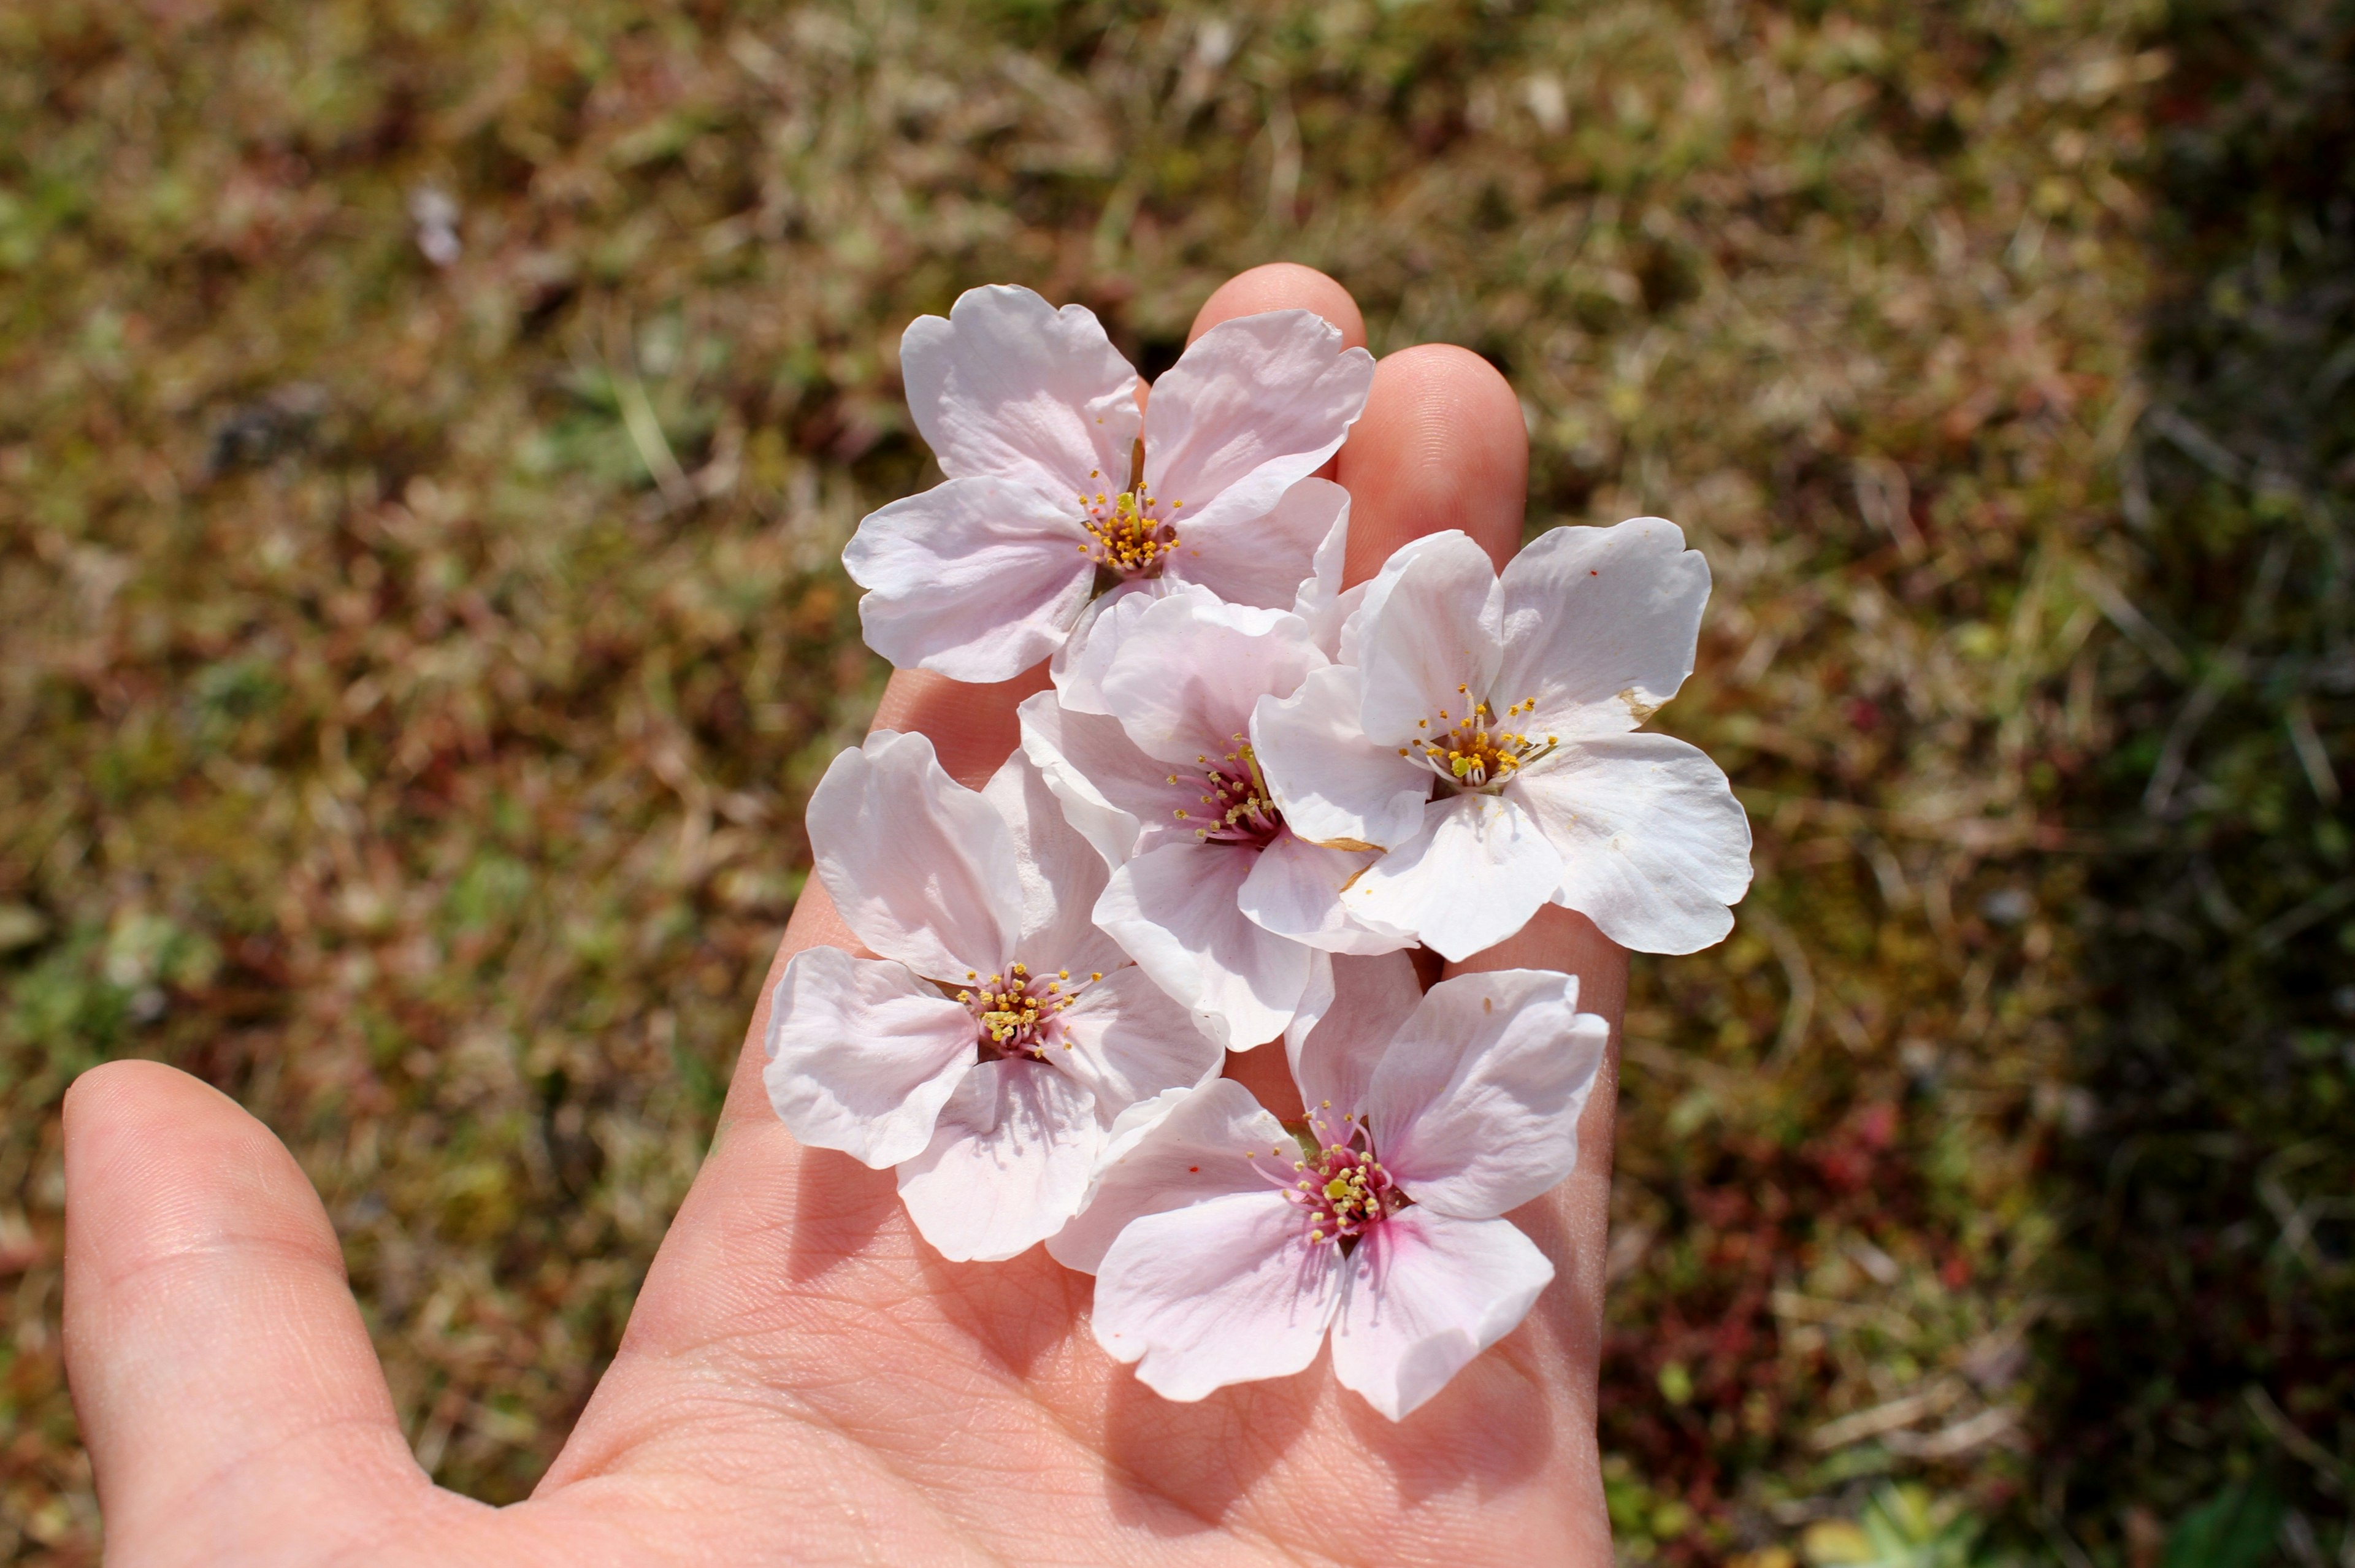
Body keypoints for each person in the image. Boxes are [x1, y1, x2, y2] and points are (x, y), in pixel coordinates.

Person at [61, 265, 1627, 1565]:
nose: (1126, 536)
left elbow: (1244, 1001)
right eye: (1114, 527)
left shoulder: (1272, 701)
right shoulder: (1115, 842)